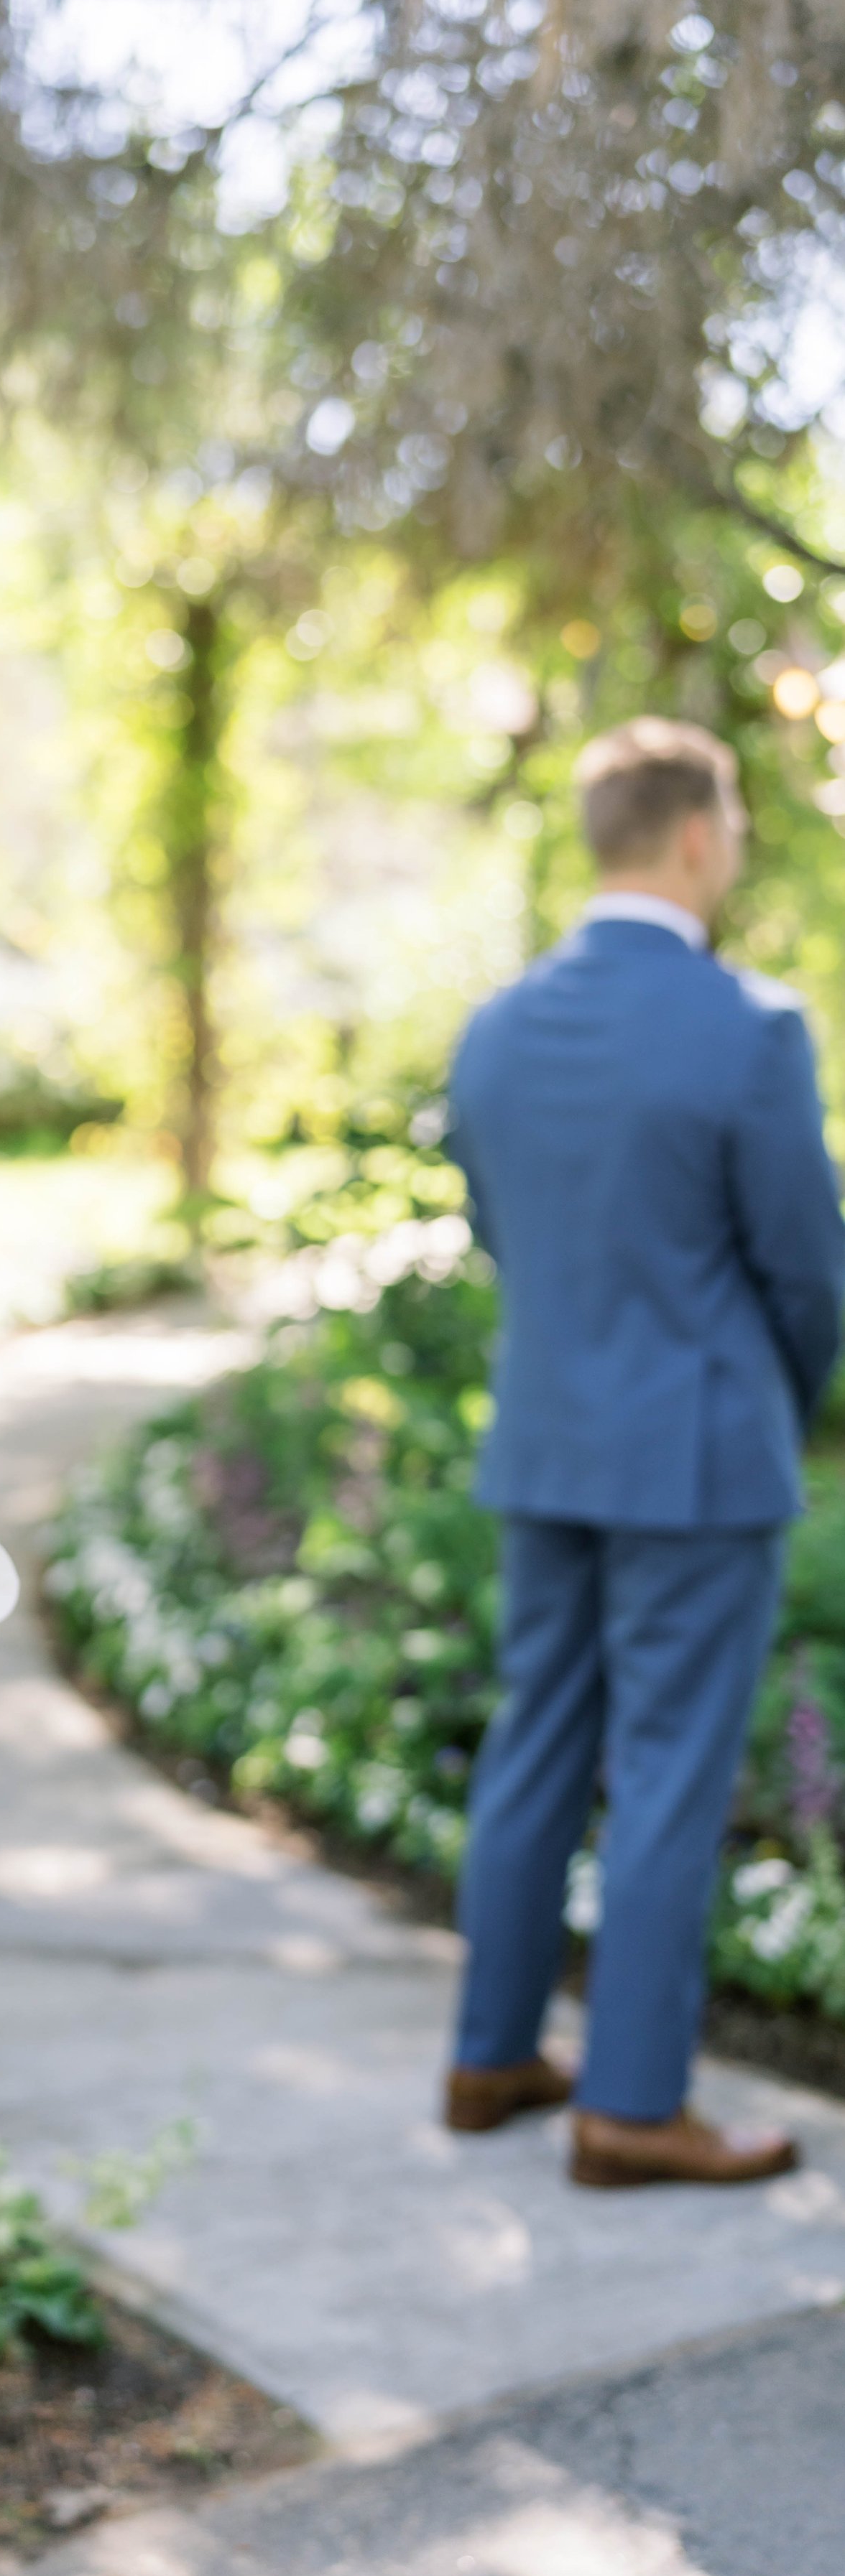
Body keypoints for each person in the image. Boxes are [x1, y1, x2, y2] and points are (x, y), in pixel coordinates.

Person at [442, 716, 845, 2188]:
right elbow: (806, 1272)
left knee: (535, 1738)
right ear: (693, 835)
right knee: (671, 1773)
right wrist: (776, 1391)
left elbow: (499, 1229)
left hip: (545, 1441)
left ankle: (488, 2055)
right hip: (694, 1453)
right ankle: (626, 2103)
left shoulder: (494, 1028)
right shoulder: (747, 1029)